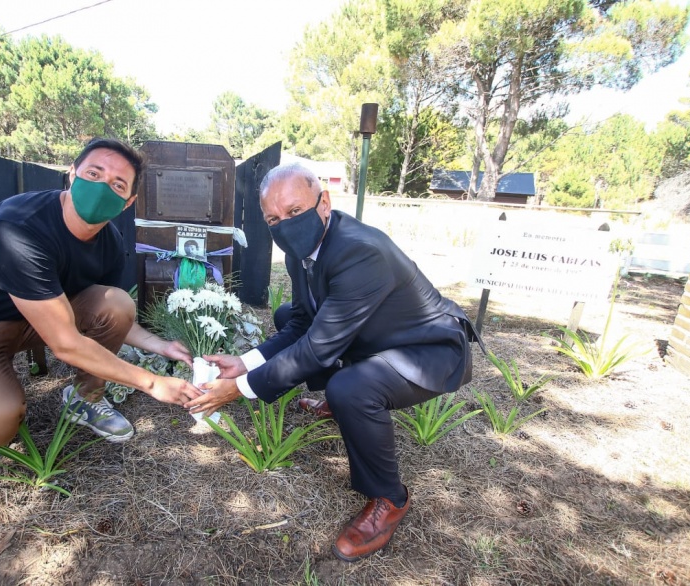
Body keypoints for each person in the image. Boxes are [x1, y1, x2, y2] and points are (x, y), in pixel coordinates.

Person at [185, 163, 483, 562]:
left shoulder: (360, 252)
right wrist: (246, 362)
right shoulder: (300, 250)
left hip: (426, 348)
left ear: (324, 203)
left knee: (351, 389)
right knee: (287, 315)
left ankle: (389, 498)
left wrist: (239, 389)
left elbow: (317, 350)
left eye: (294, 211)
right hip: (376, 338)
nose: (284, 225)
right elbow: (305, 323)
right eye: (273, 218)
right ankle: (344, 403)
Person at [0, 137, 202, 466]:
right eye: (94, 174)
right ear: (72, 173)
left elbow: (111, 315)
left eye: (117, 184)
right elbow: (66, 344)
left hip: (45, 318)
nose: (101, 187)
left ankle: (85, 398)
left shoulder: (109, 241)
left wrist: (162, 346)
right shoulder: (19, 226)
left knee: (117, 302)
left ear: (128, 201)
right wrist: (152, 382)